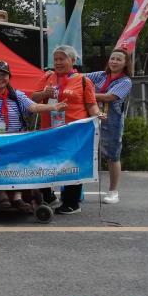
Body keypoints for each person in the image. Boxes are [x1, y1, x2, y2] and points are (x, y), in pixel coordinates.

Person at [0, 60, 64, 212]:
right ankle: (2, 195)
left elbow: (33, 106)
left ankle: (18, 197)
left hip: (16, 140)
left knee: (20, 163)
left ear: (9, 77)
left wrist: (53, 106)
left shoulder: (17, 95)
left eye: (3, 75)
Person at [31, 45, 103, 215]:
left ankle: (71, 203)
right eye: (55, 59)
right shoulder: (48, 77)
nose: (57, 62)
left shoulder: (83, 80)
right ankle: (48, 197)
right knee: (44, 163)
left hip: (73, 131)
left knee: (72, 164)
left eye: (62, 59)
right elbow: (33, 98)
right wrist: (43, 93)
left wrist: (99, 115)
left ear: (73, 60)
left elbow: (91, 105)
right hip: (49, 130)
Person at [86, 48, 133, 204]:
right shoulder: (99, 75)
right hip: (90, 118)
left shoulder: (125, 81)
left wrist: (87, 94)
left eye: (119, 59)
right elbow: (78, 80)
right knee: (83, 152)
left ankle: (113, 191)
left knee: (112, 156)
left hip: (111, 121)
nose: (114, 62)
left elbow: (109, 97)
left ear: (126, 63)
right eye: (112, 58)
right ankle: (76, 190)